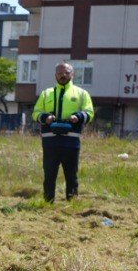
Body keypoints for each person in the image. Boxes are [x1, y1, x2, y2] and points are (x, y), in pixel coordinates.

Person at [33, 62, 94, 201]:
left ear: (72, 75)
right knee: (49, 175)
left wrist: (78, 117)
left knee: (72, 175)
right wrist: (45, 117)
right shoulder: (46, 93)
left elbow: (90, 113)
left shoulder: (82, 93)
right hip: (50, 142)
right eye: (60, 73)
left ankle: (72, 203)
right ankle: (47, 203)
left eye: (66, 73)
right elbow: (35, 113)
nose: (63, 75)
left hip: (71, 142)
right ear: (55, 75)